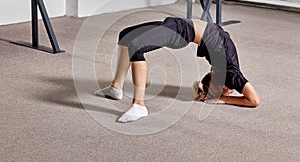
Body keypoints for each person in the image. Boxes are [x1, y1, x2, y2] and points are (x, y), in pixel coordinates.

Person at [95, 17, 260, 123]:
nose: (232, 91)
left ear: (221, 86)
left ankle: (139, 105)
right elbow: (253, 99)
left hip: (181, 31)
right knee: (126, 35)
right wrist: (218, 96)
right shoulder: (226, 72)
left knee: (136, 46)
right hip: (178, 25)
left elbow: (254, 100)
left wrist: (222, 100)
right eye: (230, 92)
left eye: (228, 92)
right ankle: (116, 88)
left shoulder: (231, 75)